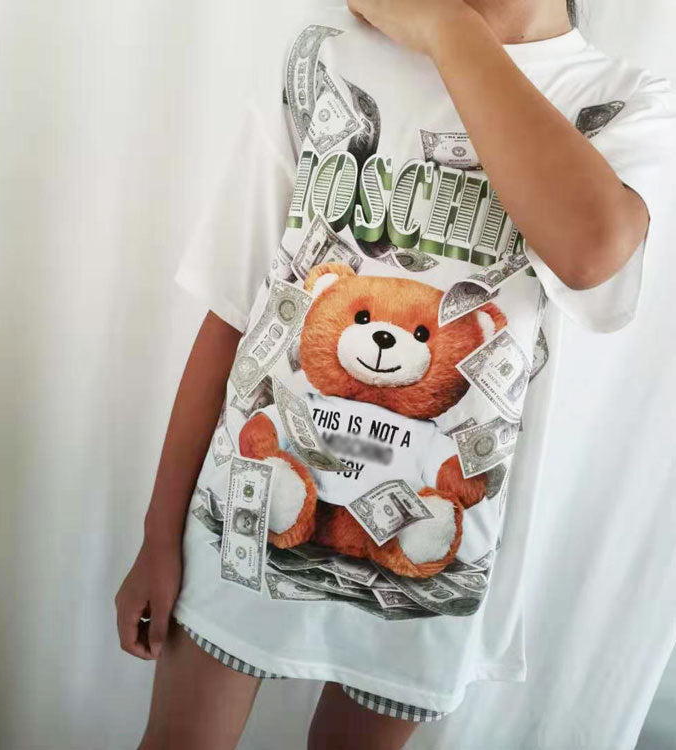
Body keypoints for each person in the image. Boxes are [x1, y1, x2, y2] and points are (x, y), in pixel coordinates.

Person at [116, 1, 676, 747]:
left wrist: (449, 30)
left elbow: (591, 248)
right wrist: (158, 534)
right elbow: (234, 308)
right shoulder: (331, 60)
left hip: (429, 562)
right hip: (248, 520)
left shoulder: (619, 101)